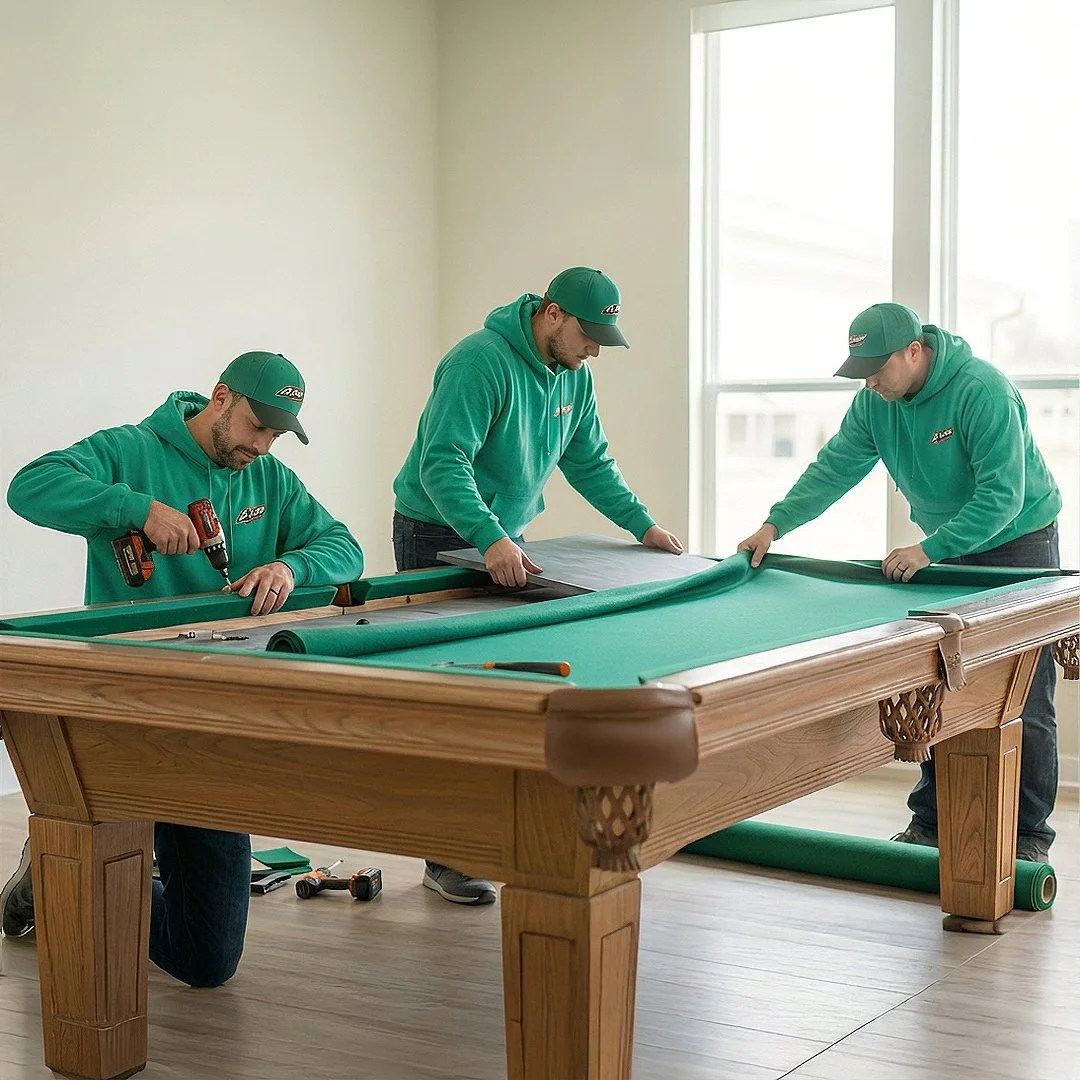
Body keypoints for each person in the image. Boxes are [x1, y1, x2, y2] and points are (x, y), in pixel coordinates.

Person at [0, 351, 365, 987]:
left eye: (279, 433)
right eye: (258, 425)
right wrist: (135, 509)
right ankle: (74, 857)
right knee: (116, 827)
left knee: (207, 963)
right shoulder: (128, 450)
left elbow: (346, 547)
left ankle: (72, 870)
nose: (264, 444)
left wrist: (290, 568)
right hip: (122, 706)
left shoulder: (271, 481)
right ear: (220, 398)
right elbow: (27, 487)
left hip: (217, 719)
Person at [392, 266, 684, 902]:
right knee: (454, 694)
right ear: (552, 313)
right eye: (589, 334)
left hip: (504, 535)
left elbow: (590, 461)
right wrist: (488, 538)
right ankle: (446, 854)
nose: (596, 349)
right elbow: (444, 463)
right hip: (435, 533)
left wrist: (644, 525)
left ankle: (503, 833)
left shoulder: (574, 377)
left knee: (512, 686)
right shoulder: (478, 363)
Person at [738, 302, 1063, 863]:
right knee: (938, 677)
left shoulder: (982, 390)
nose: (868, 381)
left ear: (915, 351)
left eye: (876, 368)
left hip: (1018, 541)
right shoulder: (875, 402)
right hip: (948, 546)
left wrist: (928, 549)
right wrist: (774, 524)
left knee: (1023, 694)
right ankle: (930, 823)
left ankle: (1029, 833)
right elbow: (834, 468)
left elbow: (1002, 498)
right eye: (860, 370)